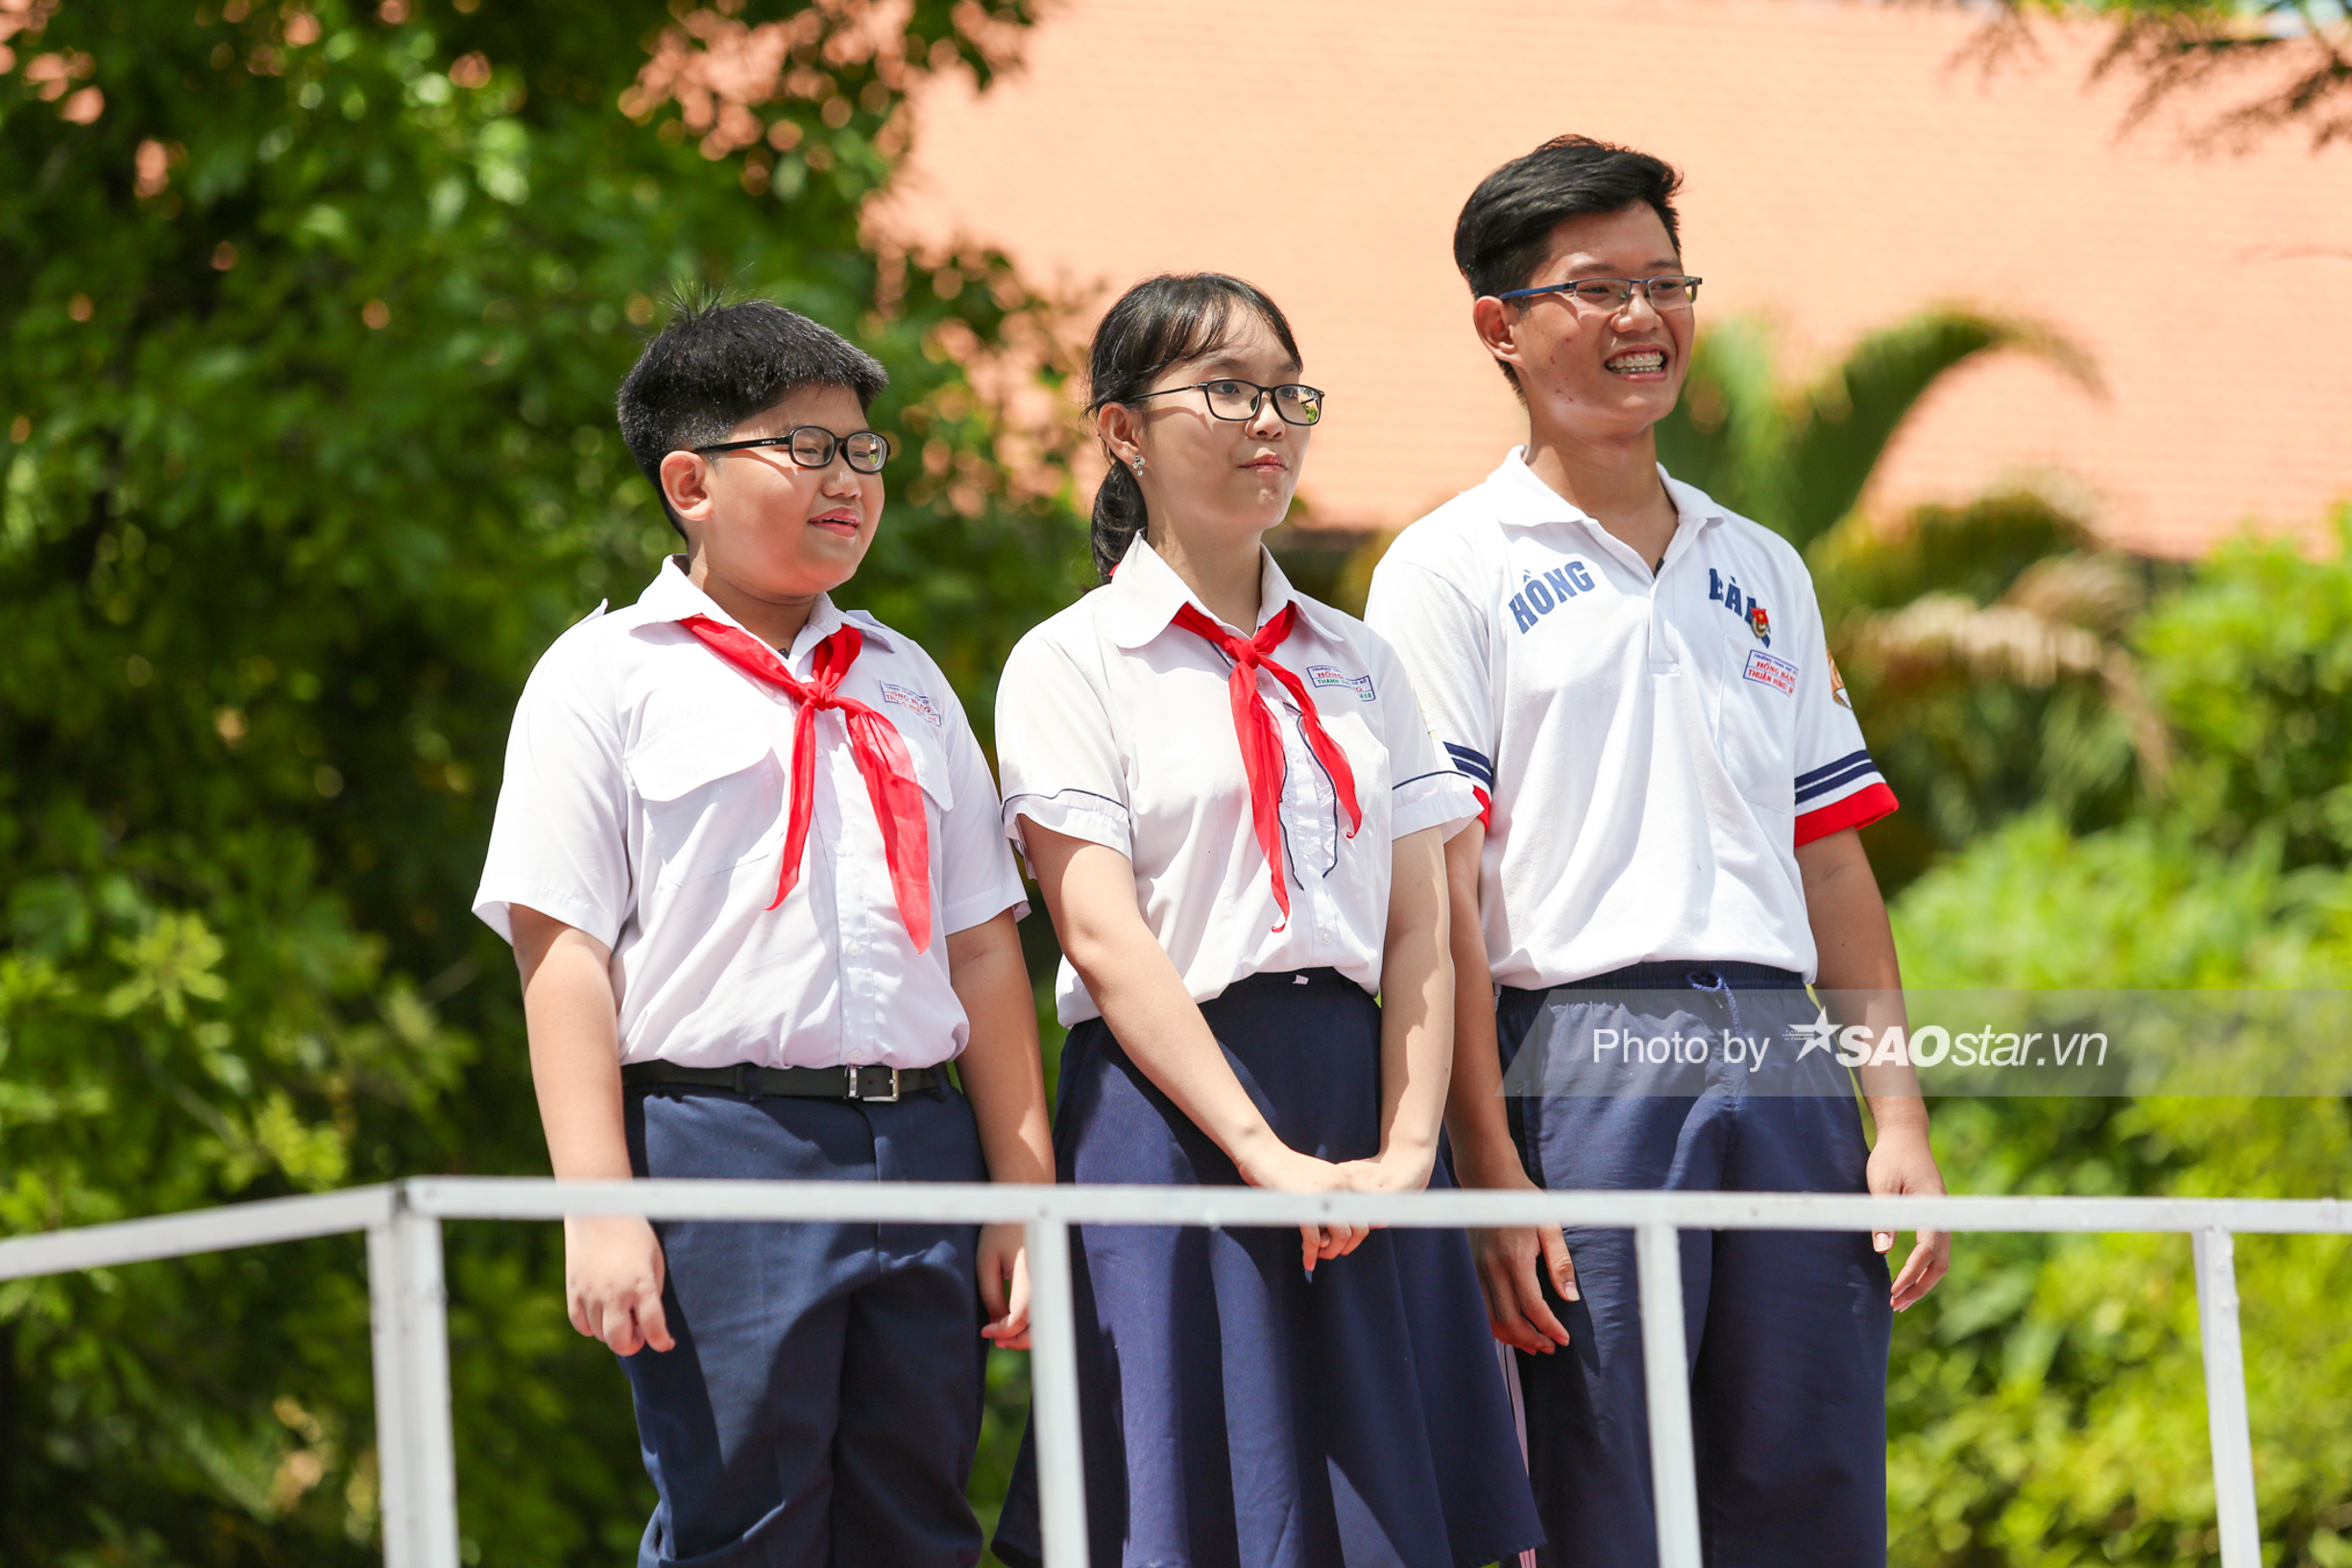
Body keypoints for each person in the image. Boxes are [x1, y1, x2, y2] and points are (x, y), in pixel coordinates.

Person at [1363, 136, 1954, 1568]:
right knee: (1605, 1476)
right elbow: (1440, 889)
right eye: (1596, 287)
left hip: (1783, 1061)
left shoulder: (1763, 564)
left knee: (1807, 1473)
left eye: (1665, 282)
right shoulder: (1447, 567)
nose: (1642, 318)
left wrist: (1897, 1118)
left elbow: (1829, 859)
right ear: (1500, 325)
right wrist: (1488, 1169)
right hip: (1578, 1061)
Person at [473, 296, 1053, 1568]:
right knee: (744, 1525)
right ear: (689, 482)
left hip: (924, 1141)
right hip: (721, 1142)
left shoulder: (905, 678)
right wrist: (597, 1209)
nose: (848, 480)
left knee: (919, 1523)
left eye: (864, 449)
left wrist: (1023, 1199)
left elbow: (981, 946)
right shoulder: (603, 677)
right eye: (806, 447)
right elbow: (561, 957)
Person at [988, 273, 1543, 1568]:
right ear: (1122, 429)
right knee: (1189, 1507)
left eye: (1288, 396)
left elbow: (1421, 925)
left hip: (1359, 1102)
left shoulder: (1362, 658)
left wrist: (1407, 1152)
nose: (1269, 425)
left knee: (1385, 1517)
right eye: (1227, 391)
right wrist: (1258, 1149)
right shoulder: (1069, 660)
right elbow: (1100, 934)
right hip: (1169, 1114)